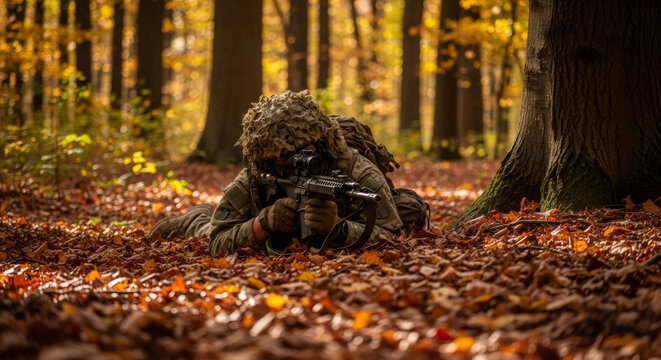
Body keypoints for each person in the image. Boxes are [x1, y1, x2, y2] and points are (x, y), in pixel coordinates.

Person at [148, 90, 403, 256]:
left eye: (306, 150)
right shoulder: (257, 173)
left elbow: (391, 234)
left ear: (321, 142)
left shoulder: (356, 169)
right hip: (253, 226)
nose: (298, 160)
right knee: (204, 229)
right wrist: (262, 224)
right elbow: (216, 242)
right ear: (268, 156)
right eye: (286, 156)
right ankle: (194, 217)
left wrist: (339, 229)